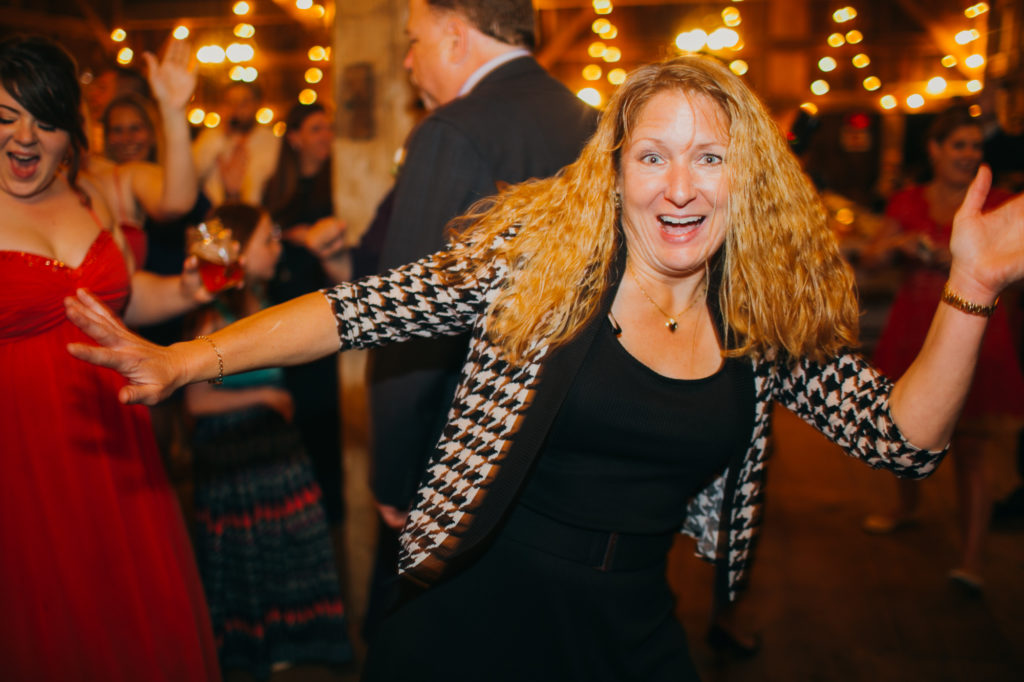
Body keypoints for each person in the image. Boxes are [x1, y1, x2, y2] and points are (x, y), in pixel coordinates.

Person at [65, 55, 1024, 681]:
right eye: (652, 156)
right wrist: (189, 357)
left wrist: (971, 284)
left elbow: (904, 440)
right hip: (476, 615)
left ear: (749, 179)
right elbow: (357, 311)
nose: (679, 187)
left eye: (709, 158)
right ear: (615, 171)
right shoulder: (544, 272)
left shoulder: (762, 321)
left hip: (634, 627)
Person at [366, 0, 598, 632]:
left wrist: (394, 473)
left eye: (413, 40)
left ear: (454, 35)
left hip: (462, 448)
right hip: (571, 438)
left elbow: (406, 318)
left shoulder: (452, 131)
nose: (408, 61)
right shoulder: (595, 123)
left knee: (433, 636)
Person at [0, 35, 219, 680]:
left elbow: (117, 303)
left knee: (126, 611)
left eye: (45, 121)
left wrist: (185, 291)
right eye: (6, 118)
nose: (25, 138)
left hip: (113, 437)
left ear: (71, 133)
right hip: (21, 452)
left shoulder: (89, 196)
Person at [185, 203, 353, 679]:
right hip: (234, 453)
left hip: (278, 448)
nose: (276, 247)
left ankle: (297, 645)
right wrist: (264, 395)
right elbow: (196, 402)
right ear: (238, 251)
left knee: (292, 549)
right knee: (248, 559)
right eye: (268, 239)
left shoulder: (267, 298)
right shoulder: (211, 316)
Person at [862, 105, 1024, 594]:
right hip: (915, 328)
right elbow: (871, 258)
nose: (969, 154)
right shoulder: (909, 201)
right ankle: (906, 506)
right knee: (905, 429)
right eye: (959, 145)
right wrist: (900, 245)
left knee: (973, 448)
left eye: (976, 146)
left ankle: (971, 559)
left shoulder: (1000, 203)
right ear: (934, 149)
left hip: (979, 333)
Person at [261, 102, 349, 535]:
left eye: (329, 128)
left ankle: (330, 519)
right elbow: (263, 233)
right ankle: (297, 516)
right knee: (292, 414)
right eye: (316, 128)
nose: (326, 135)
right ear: (294, 137)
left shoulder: (340, 183)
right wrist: (293, 235)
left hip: (326, 309)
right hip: (283, 307)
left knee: (324, 415)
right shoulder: (276, 188)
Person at [193, 80, 281, 206]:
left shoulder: (271, 141)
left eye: (244, 102)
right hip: (215, 211)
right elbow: (193, 175)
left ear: (257, 104)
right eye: (230, 102)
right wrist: (221, 138)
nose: (236, 108)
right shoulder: (211, 137)